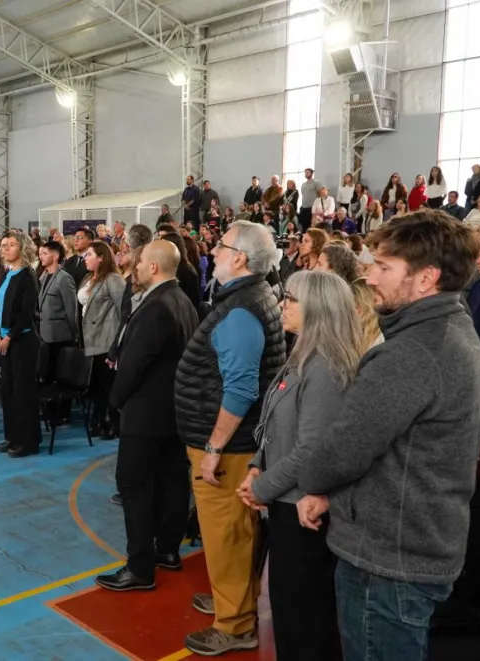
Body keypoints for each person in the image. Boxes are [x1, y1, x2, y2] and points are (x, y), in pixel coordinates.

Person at [297, 209, 480, 661]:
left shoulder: (412, 353)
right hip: (413, 543)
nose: (369, 275)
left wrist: (313, 481)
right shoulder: (451, 330)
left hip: (387, 560)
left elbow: (343, 449)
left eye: (383, 267)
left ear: (426, 279)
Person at [174, 221, 287, 656]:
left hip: (228, 446)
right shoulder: (247, 298)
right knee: (231, 531)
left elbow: (240, 388)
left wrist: (214, 448)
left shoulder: (241, 309)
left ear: (239, 258)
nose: (212, 253)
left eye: (219, 248)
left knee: (227, 533)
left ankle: (236, 622)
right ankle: (231, 598)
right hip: (230, 441)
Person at [237, 270, 362, 661]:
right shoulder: (302, 356)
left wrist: (261, 487)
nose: (281, 306)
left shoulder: (324, 368)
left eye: (290, 299)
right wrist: (257, 465)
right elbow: (274, 422)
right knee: (288, 610)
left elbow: (312, 450)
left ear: (318, 309)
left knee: (303, 618)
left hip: (300, 508)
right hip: (284, 499)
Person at [96, 240, 199, 591]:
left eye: (140, 262)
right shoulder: (182, 300)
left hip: (147, 411)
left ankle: (139, 566)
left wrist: (115, 399)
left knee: (134, 485)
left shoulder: (156, 305)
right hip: (173, 409)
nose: (134, 267)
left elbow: (134, 364)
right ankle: (167, 550)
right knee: (171, 480)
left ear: (153, 267)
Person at [0, 233, 40, 458]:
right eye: (3, 245)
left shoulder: (27, 275)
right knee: (8, 390)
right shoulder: (6, 273)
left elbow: (26, 312)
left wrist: (9, 336)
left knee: (23, 391)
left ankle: (28, 440)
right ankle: (12, 436)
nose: (6, 248)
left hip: (22, 340)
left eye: (12, 245)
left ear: (22, 248)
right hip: (4, 341)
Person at [79, 241, 126, 439]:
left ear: (101, 257)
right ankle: (99, 420)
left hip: (107, 339)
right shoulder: (89, 278)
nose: (85, 258)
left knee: (108, 386)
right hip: (91, 339)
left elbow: (125, 310)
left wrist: (118, 343)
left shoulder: (113, 279)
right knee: (98, 386)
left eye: (89, 254)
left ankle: (112, 423)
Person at [37, 240, 79, 380]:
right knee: (47, 375)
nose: (41, 256)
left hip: (60, 336)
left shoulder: (64, 278)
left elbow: (71, 309)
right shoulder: (44, 277)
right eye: (40, 253)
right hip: (45, 335)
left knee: (58, 375)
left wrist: (75, 334)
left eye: (44, 253)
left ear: (55, 256)